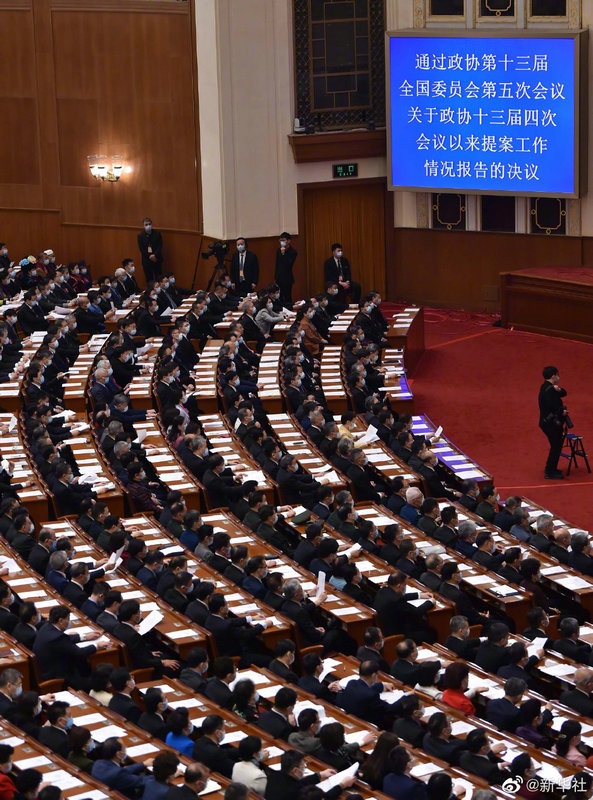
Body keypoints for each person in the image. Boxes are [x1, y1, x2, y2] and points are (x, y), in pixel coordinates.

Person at [538, 365, 567, 479]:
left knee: (556, 446)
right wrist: (562, 412)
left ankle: (551, 468)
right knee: (556, 446)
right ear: (553, 376)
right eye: (557, 375)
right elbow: (554, 407)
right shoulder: (550, 391)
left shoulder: (545, 387)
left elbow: (564, 393)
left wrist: (558, 389)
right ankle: (550, 471)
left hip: (547, 422)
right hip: (551, 424)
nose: (558, 377)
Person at [138, 217, 163, 282]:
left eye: (149, 224)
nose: (148, 226)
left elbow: (159, 245)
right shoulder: (140, 235)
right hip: (147, 260)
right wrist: (150, 256)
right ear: (143, 226)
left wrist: (154, 255)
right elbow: (141, 248)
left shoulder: (157, 234)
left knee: (159, 277)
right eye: (146, 225)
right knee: (149, 279)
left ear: (151, 224)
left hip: (156, 258)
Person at [275, 233, 297, 307]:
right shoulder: (278, 250)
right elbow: (277, 265)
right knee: (279, 297)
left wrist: (283, 254)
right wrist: (276, 277)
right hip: (279, 278)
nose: (282, 242)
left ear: (289, 241)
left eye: (283, 240)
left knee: (287, 296)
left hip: (287, 278)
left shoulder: (293, 252)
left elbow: (288, 264)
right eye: (280, 240)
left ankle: (289, 309)